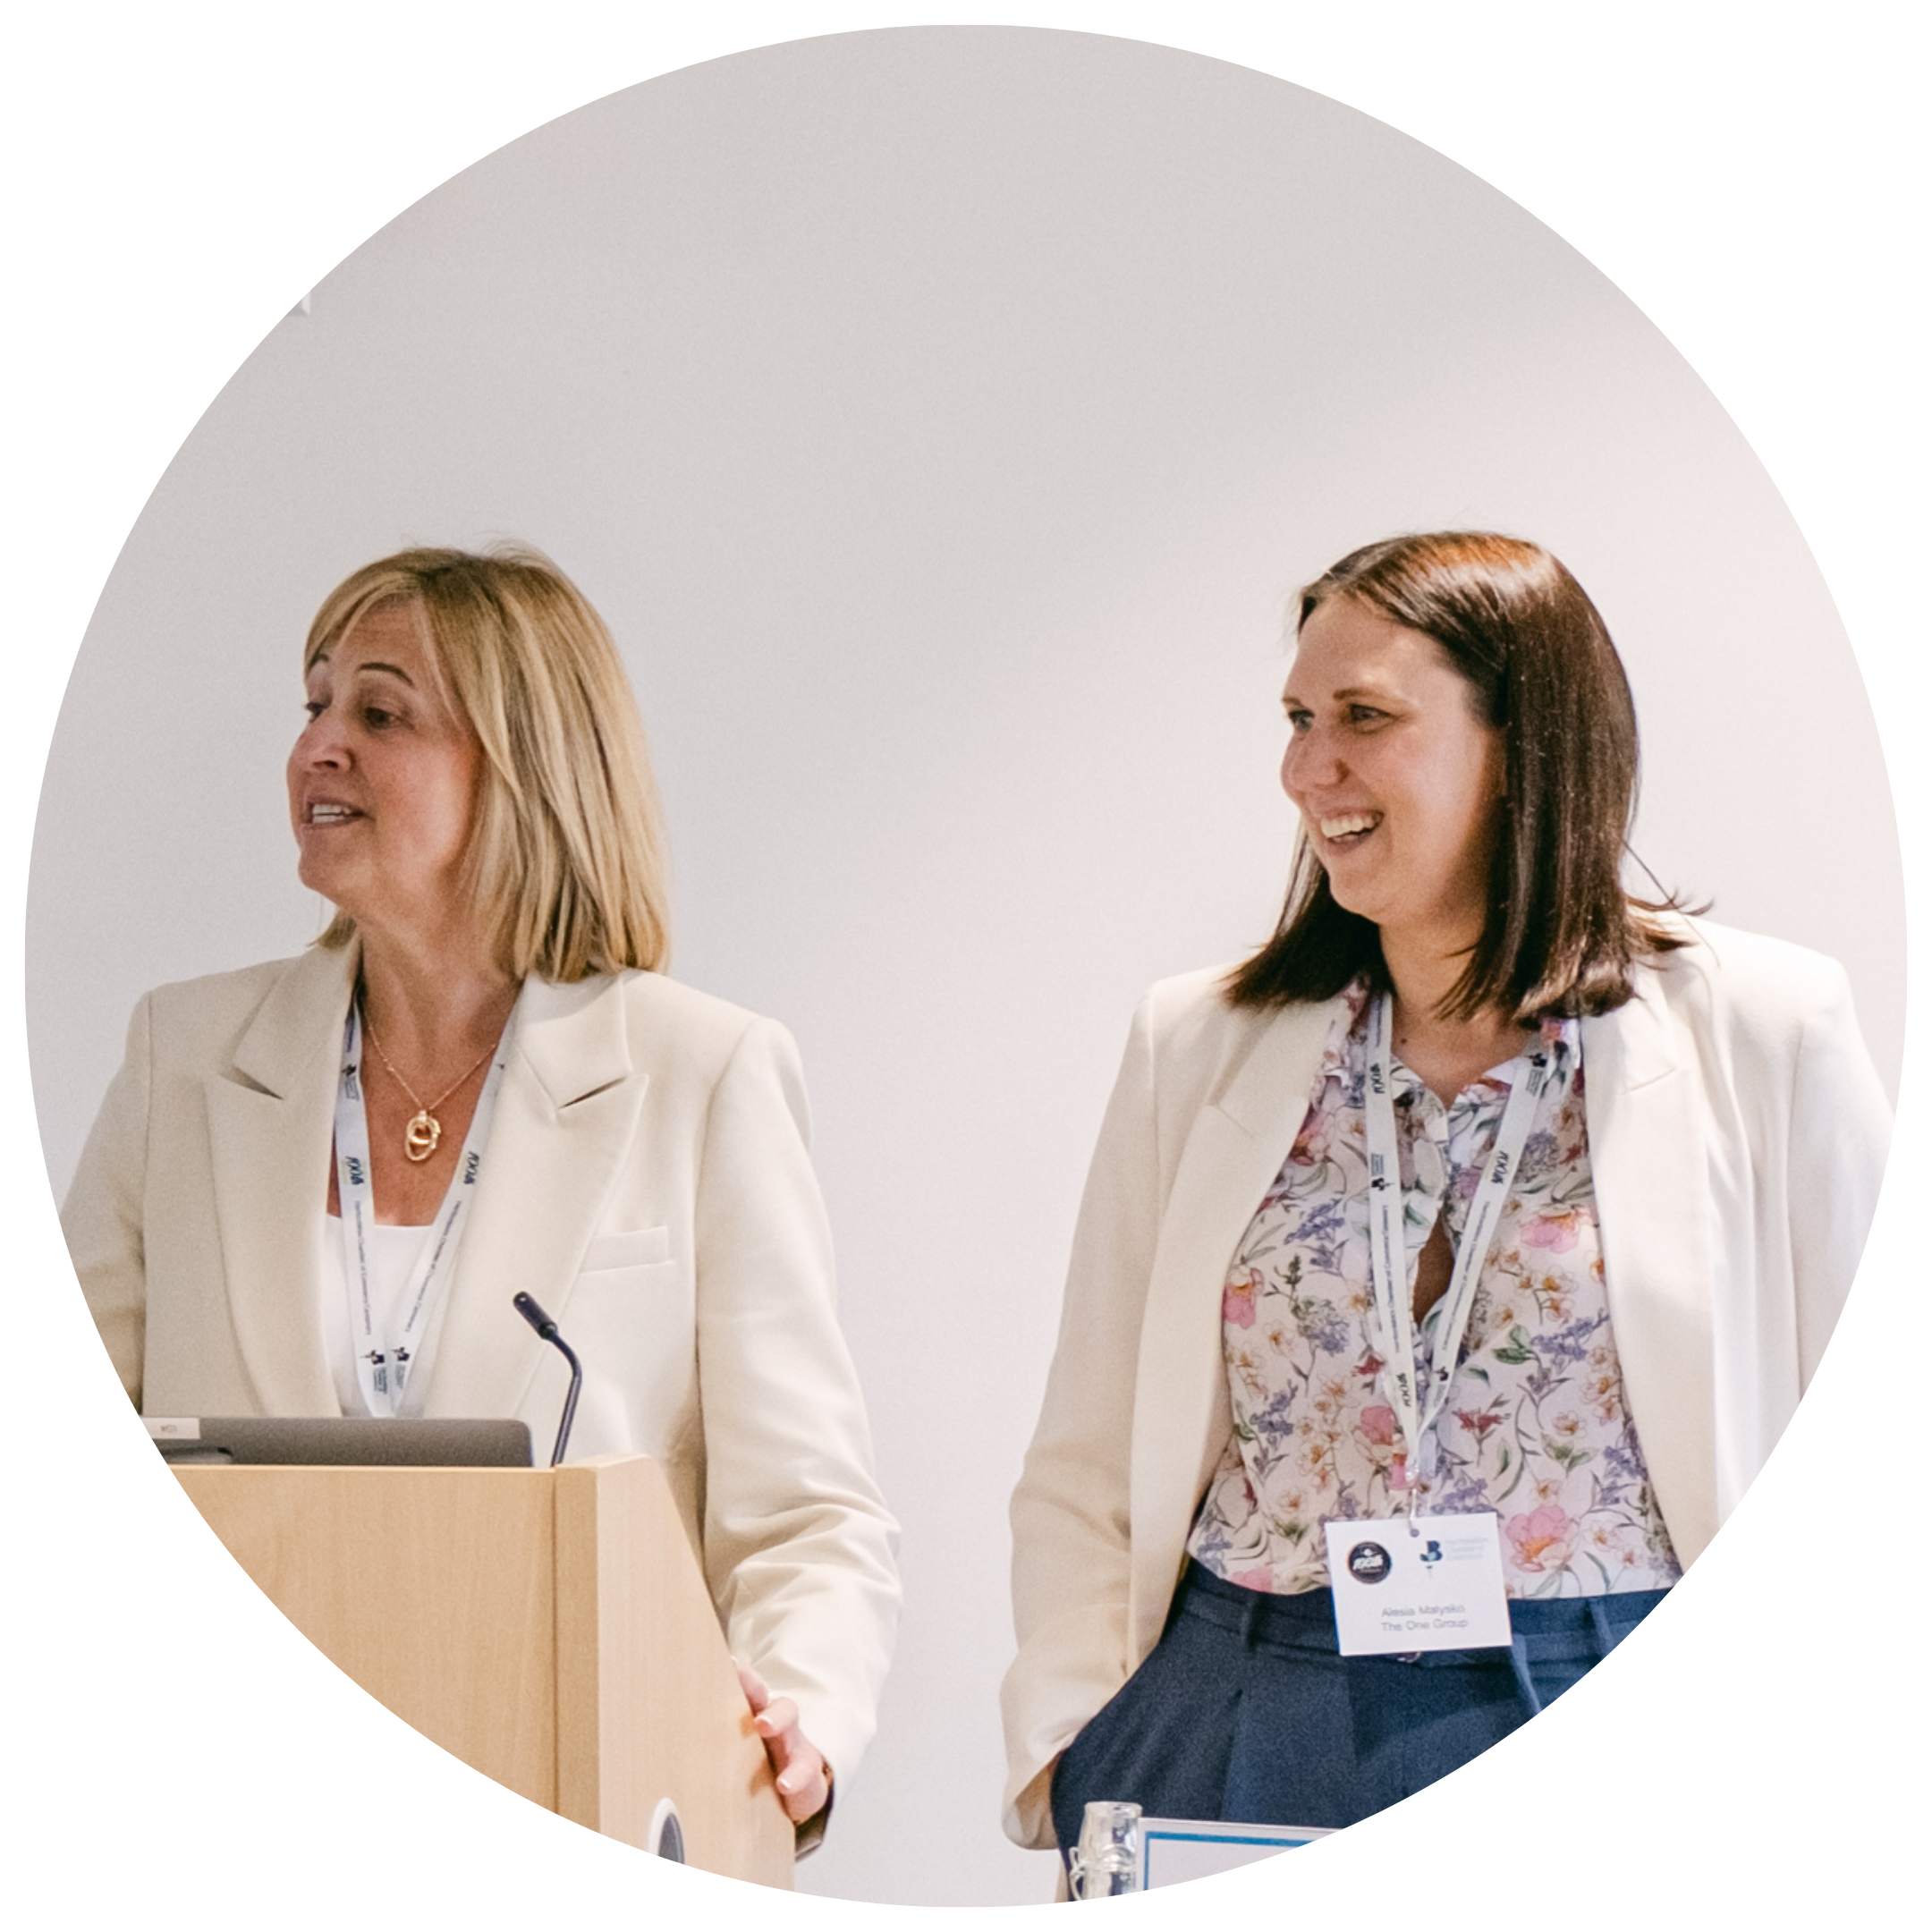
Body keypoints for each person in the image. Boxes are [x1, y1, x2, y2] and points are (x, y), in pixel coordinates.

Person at [1001, 530, 1892, 1859]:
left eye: (1366, 718)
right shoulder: (1196, 1045)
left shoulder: (1763, 1028)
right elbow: (1085, 1449)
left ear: (1522, 745)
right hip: (1245, 1698)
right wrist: (1081, 1742)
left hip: (1615, 1684)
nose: (1312, 769)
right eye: (1300, 719)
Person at [64, 546, 900, 1851]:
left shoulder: (700, 1073)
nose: (318, 748)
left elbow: (806, 1517)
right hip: (226, 1820)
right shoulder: (185, 1058)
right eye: (314, 704)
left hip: (565, 1807)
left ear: (523, 770)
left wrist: (798, 1720)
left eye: (379, 713)